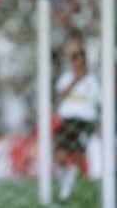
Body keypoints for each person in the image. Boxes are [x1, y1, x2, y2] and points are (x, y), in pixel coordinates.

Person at [53, 45, 100, 202]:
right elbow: (60, 95)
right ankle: (64, 185)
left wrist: (98, 124)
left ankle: (66, 191)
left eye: (81, 63)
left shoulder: (93, 81)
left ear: (85, 64)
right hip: (67, 120)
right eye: (75, 63)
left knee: (76, 155)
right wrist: (75, 80)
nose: (78, 66)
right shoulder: (66, 78)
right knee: (60, 155)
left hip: (84, 121)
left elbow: (98, 103)